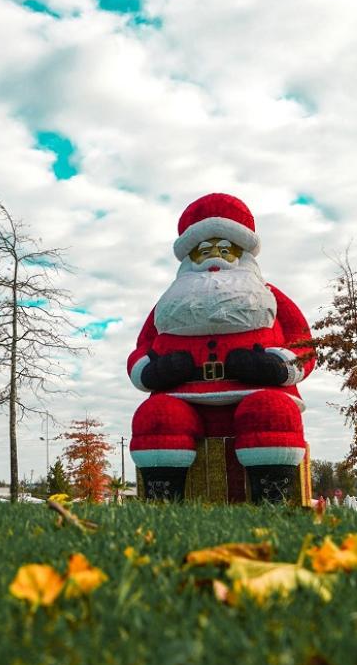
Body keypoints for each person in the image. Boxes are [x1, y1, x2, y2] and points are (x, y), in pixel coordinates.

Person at [127, 193, 315, 502]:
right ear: (190, 258)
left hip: (255, 391)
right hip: (182, 395)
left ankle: (273, 500)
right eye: (204, 251)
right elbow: (142, 347)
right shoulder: (170, 303)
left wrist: (277, 366)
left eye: (226, 249)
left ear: (243, 254)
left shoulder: (267, 294)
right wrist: (154, 370)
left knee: (271, 411)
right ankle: (162, 501)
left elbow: (302, 342)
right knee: (157, 416)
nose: (215, 257)